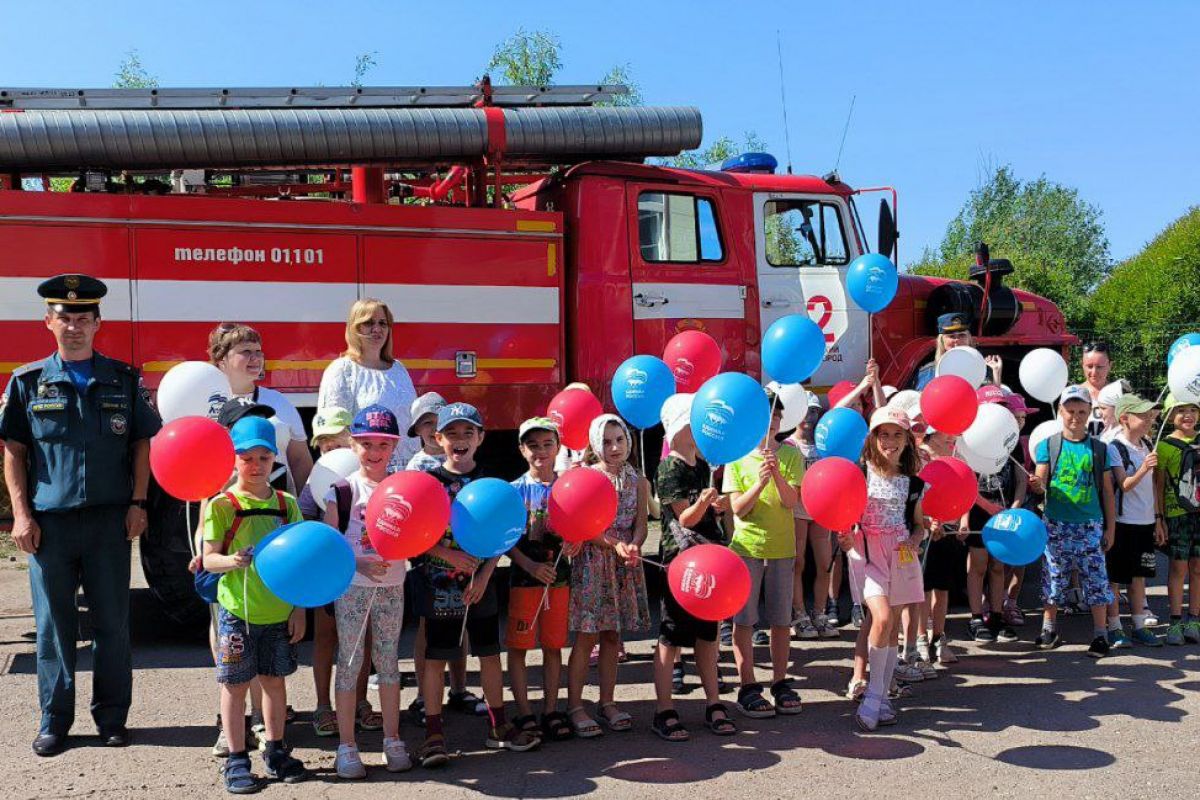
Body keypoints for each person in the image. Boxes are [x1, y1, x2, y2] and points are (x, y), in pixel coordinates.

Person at [1, 274, 160, 757]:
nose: (74, 326)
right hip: (50, 526)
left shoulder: (123, 379)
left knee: (113, 625)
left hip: (110, 523)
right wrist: (21, 517)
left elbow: (140, 445)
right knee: (54, 627)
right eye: (64, 317)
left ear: (97, 323)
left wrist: (138, 504)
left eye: (82, 318)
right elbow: (13, 452)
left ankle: (112, 719)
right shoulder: (28, 382)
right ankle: (55, 721)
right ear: (48, 322)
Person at [419, 402, 541, 767]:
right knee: (436, 659)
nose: (460, 440)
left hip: (480, 586)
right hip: (439, 583)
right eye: (452, 433)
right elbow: (415, 537)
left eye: (467, 433)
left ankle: (498, 727)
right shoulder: (428, 485)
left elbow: (503, 536)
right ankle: (433, 734)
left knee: (489, 654)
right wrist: (448, 555)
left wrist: (486, 575)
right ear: (438, 439)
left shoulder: (492, 483)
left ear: (481, 438)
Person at [201, 416, 307, 792]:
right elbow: (209, 558)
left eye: (264, 457)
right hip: (237, 614)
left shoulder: (286, 504)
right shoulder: (222, 505)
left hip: (278, 613)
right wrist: (232, 561)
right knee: (234, 686)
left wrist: (299, 608)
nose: (256, 465)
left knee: (275, 683)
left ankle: (276, 750)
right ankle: (235, 758)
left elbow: (300, 562)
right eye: (247, 457)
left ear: (275, 459)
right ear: (234, 460)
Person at [324, 406, 411, 778]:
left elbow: (418, 531)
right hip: (353, 589)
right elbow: (329, 546)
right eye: (366, 444)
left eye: (382, 445)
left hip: (393, 585)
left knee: (389, 662)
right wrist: (359, 564)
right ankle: (347, 746)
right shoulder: (342, 490)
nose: (374, 452)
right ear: (352, 444)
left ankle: (392, 739)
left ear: (394, 447)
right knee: (350, 661)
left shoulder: (404, 487)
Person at [651, 394, 737, 742]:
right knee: (671, 635)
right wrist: (703, 502)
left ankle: (714, 702)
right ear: (680, 427)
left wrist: (716, 505)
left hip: (709, 555)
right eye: (696, 421)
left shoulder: (701, 463)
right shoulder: (668, 467)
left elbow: (705, 513)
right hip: (681, 560)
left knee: (708, 633)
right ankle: (663, 710)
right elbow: (684, 518)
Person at [566, 415, 651, 736]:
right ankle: (575, 705)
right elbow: (586, 527)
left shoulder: (638, 480)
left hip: (622, 563)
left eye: (619, 440)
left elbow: (641, 523)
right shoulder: (588, 477)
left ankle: (607, 702)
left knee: (613, 637)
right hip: (593, 563)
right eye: (606, 441)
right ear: (593, 444)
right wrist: (614, 544)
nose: (614, 447)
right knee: (587, 636)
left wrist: (635, 545)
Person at [723, 390, 804, 719]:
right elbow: (739, 510)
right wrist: (759, 482)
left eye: (777, 415)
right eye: (767, 414)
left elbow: (790, 502)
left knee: (781, 620)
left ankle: (780, 681)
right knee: (744, 620)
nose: (773, 420)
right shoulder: (737, 457)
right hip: (747, 549)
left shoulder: (792, 455)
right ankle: (748, 685)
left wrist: (779, 476)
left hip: (783, 548)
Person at [849, 407, 926, 732]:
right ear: (873, 438)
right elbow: (843, 510)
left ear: (907, 440)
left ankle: (882, 699)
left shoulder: (913, 484)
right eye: (884, 434)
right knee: (879, 618)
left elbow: (919, 526)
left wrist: (915, 539)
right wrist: (845, 534)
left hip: (900, 556)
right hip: (867, 555)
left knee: (891, 625)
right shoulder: (859, 473)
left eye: (897, 435)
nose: (890, 441)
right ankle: (873, 694)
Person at [1032, 386, 1116, 658]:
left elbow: (1106, 491)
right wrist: (1036, 484)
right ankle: (1049, 628)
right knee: (1054, 578)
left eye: (1082, 411)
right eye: (1070, 411)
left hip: (1090, 524)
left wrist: (1110, 527)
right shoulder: (1049, 445)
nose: (1075, 417)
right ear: (1060, 412)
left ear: (1090, 413)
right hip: (1056, 524)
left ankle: (1101, 635)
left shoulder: (1098, 449)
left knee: (1096, 579)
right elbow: (1041, 481)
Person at [506, 418, 574, 742]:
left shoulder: (568, 487)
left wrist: (578, 541)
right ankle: (523, 712)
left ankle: (550, 709)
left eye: (548, 444)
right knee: (519, 647)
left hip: (559, 582)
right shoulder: (514, 490)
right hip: (524, 581)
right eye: (533, 445)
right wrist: (529, 565)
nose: (541, 451)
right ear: (521, 450)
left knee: (553, 646)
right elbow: (505, 541)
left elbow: (581, 526)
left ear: (558, 447)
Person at [208, 323, 313, 494]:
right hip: (227, 509)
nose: (255, 358)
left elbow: (300, 460)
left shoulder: (279, 401)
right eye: (246, 352)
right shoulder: (207, 403)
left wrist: (306, 509)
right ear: (222, 361)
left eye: (258, 352)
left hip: (279, 508)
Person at [318, 299, 419, 468]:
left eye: (383, 323)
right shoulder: (342, 370)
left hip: (406, 470)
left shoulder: (399, 369)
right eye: (368, 323)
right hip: (364, 473)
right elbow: (333, 432)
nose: (377, 329)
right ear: (354, 328)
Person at [959, 385, 1024, 644]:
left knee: (999, 566)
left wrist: (1016, 508)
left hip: (1005, 512)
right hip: (978, 512)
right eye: (992, 406)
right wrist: (976, 512)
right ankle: (976, 617)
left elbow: (1020, 479)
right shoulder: (969, 437)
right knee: (978, 566)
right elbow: (965, 483)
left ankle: (996, 616)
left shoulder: (1012, 439)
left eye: (1001, 406)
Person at [1104, 394, 1163, 648]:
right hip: (1123, 521)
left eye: (1151, 415)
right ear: (1125, 418)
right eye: (1143, 415)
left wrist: (1158, 519)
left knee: (1139, 576)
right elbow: (1125, 485)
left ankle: (1139, 625)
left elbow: (1153, 487)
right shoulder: (1114, 447)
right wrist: (1143, 468)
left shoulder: (1147, 444)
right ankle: (1115, 627)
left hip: (1145, 521)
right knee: (1116, 577)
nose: (1150, 419)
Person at [786, 395, 837, 639]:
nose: (809, 417)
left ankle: (820, 613)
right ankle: (799, 614)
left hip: (821, 510)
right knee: (798, 563)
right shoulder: (788, 445)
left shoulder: (823, 443)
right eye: (805, 411)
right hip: (796, 509)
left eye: (814, 412)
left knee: (825, 563)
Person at [1155, 394, 1200, 645]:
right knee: (1177, 568)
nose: (1188, 415)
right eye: (1181, 410)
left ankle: (1194, 620)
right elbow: (1158, 486)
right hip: (1176, 515)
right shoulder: (1164, 446)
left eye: (1193, 410)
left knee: (1197, 568)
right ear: (1171, 415)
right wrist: (1159, 518)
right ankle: (1174, 622)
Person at [918, 424, 964, 665]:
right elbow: (915, 496)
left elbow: (965, 491)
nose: (952, 437)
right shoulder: (919, 457)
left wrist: (962, 521)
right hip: (926, 531)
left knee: (943, 588)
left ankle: (938, 636)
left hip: (948, 527)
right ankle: (920, 639)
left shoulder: (955, 456)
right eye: (946, 433)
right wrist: (927, 523)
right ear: (931, 434)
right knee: (924, 589)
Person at [914, 313, 998, 390]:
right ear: (942, 341)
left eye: (962, 335)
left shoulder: (984, 369)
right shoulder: (927, 372)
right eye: (951, 336)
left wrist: (996, 373)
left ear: (969, 339)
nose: (957, 340)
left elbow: (992, 399)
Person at [405, 392, 447, 472]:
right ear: (417, 429)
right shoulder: (416, 465)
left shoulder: (458, 456)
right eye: (428, 423)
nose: (436, 428)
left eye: (441, 421)